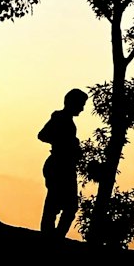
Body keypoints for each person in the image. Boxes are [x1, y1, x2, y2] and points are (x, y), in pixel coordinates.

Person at [38, 88, 88, 238]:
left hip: (65, 165)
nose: (82, 108)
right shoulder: (59, 117)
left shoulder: (66, 120)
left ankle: (56, 235)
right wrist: (65, 143)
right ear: (72, 103)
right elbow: (42, 135)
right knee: (57, 202)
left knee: (67, 204)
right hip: (58, 165)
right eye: (81, 104)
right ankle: (51, 235)